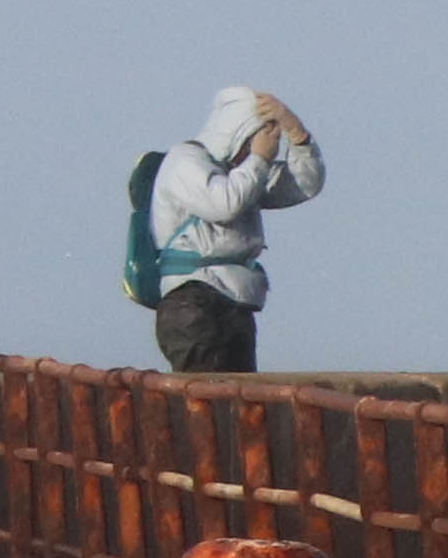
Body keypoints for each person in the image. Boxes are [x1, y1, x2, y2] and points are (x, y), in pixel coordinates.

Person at [124, 88, 323, 373]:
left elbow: (305, 184)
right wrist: (258, 160)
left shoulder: (242, 173)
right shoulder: (186, 161)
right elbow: (223, 204)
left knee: (241, 405)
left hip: (235, 302)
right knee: (206, 403)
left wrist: (297, 135)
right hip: (193, 301)